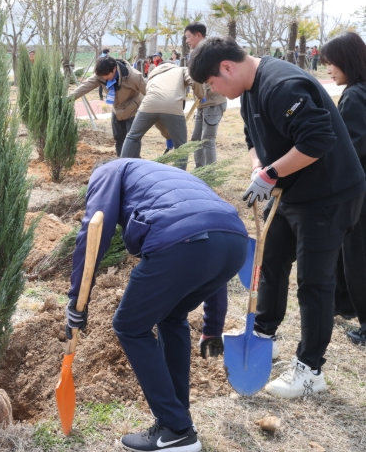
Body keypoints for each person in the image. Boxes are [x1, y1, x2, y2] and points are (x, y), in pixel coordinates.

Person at [189, 36, 366, 398]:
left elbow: (318, 140)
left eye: (211, 83)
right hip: (292, 192)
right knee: (269, 260)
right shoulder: (249, 90)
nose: (213, 90)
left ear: (227, 67)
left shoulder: (282, 85)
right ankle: (263, 334)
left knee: (314, 282)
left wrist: (271, 174)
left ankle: (310, 370)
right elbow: (251, 136)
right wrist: (259, 167)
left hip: (329, 195)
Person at [65, 158, 247, 452]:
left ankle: (176, 428)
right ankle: (179, 421)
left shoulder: (108, 171)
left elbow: (95, 228)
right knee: (173, 316)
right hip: (235, 242)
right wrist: (213, 327)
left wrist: (76, 300)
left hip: (181, 242)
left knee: (130, 326)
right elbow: (211, 243)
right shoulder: (167, 176)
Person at [320, 32, 366, 345]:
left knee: (357, 255)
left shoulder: (355, 96)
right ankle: (346, 304)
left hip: (358, 190)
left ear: (347, 61)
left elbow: (350, 149)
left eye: (331, 63)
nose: (328, 70)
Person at [120, 60, 204, 170]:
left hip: (148, 105)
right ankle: (179, 175)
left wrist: (168, 136)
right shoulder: (181, 70)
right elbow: (195, 80)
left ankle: (120, 168)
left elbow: (159, 117)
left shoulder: (152, 74)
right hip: (172, 106)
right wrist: (201, 95)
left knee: (132, 137)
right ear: (173, 65)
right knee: (181, 146)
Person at [184, 22, 229, 168]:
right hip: (201, 103)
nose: (187, 41)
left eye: (188, 37)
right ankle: (199, 170)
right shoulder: (195, 54)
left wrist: (209, 91)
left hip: (214, 102)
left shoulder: (212, 52)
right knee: (196, 139)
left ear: (198, 35)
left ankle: (210, 174)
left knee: (207, 140)